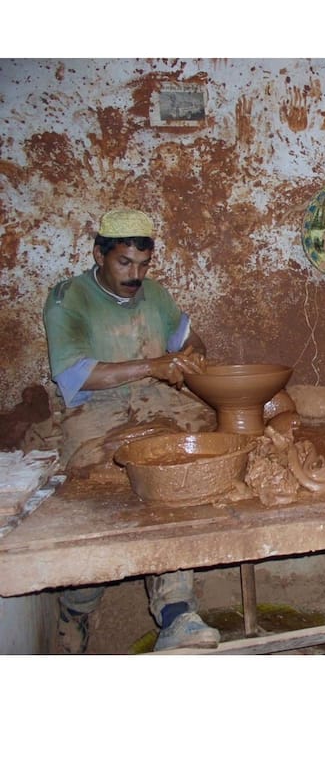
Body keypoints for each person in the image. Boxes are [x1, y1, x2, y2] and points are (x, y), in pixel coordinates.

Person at [43, 208, 221, 653]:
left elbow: (189, 341)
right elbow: (76, 375)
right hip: (96, 415)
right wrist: (154, 365)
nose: (135, 275)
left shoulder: (155, 295)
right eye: (125, 263)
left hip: (157, 405)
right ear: (99, 253)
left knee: (180, 474)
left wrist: (191, 355)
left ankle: (176, 611)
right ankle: (77, 606)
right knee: (108, 495)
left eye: (143, 265)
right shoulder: (69, 298)